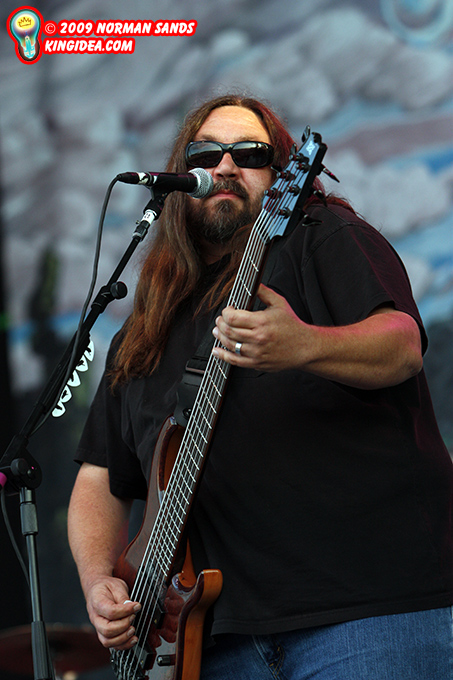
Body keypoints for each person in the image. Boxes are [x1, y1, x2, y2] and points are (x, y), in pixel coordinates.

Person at [68, 93, 453, 679]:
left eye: (249, 154)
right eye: (206, 154)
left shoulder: (324, 236)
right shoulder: (145, 329)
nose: (225, 166)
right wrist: (99, 581)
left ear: (281, 175)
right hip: (215, 642)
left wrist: (305, 345)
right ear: (180, 178)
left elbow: (401, 346)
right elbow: (100, 475)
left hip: (367, 612)